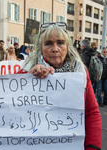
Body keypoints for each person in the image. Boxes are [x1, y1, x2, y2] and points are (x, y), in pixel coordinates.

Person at [18, 22, 102, 150]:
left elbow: (91, 112)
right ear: (40, 47)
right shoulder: (27, 70)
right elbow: (11, 107)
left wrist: (93, 147)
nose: (55, 49)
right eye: (48, 44)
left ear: (68, 46)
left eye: (60, 43)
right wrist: (28, 79)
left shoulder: (80, 72)